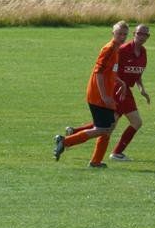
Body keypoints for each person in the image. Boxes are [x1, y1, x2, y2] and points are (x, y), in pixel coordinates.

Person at [53, 21, 129, 168]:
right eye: (119, 34)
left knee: (108, 127)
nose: (122, 37)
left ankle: (96, 161)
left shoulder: (116, 49)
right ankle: (65, 141)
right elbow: (98, 73)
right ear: (113, 33)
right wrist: (105, 96)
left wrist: (121, 82)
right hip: (98, 95)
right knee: (104, 129)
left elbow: (110, 72)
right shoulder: (108, 49)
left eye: (125, 34)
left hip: (103, 94)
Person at [110, 24, 151, 161]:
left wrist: (142, 89)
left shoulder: (143, 52)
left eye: (145, 34)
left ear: (148, 37)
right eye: (139, 33)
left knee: (108, 125)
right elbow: (111, 71)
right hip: (117, 90)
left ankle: (70, 136)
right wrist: (120, 84)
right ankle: (116, 153)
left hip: (126, 91)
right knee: (136, 122)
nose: (142, 36)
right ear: (134, 34)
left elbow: (137, 73)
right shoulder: (123, 50)